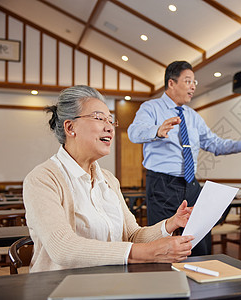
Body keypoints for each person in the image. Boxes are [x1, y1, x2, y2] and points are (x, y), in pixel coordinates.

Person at [23, 85, 194, 272]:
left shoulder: (109, 179)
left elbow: (132, 235)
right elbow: (63, 248)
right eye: (99, 118)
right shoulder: (42, 179)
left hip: (110, 281)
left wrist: (172, 223)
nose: (109, 128)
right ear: (70, 127)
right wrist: (147, 252)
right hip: (60, 287)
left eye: (111, 121)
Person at [127, 61, 241, 256]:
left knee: (199, 242)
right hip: (162, 184)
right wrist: (157, 130)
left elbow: (215, 144)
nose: (193, 86)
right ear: (171, 83)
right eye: (188, 81)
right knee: (163, 243)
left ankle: (200, 282)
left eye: (194, 81)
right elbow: (134, 133)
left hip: (191, 184)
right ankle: (167, 284)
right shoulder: (151, 108)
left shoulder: (192, 116)